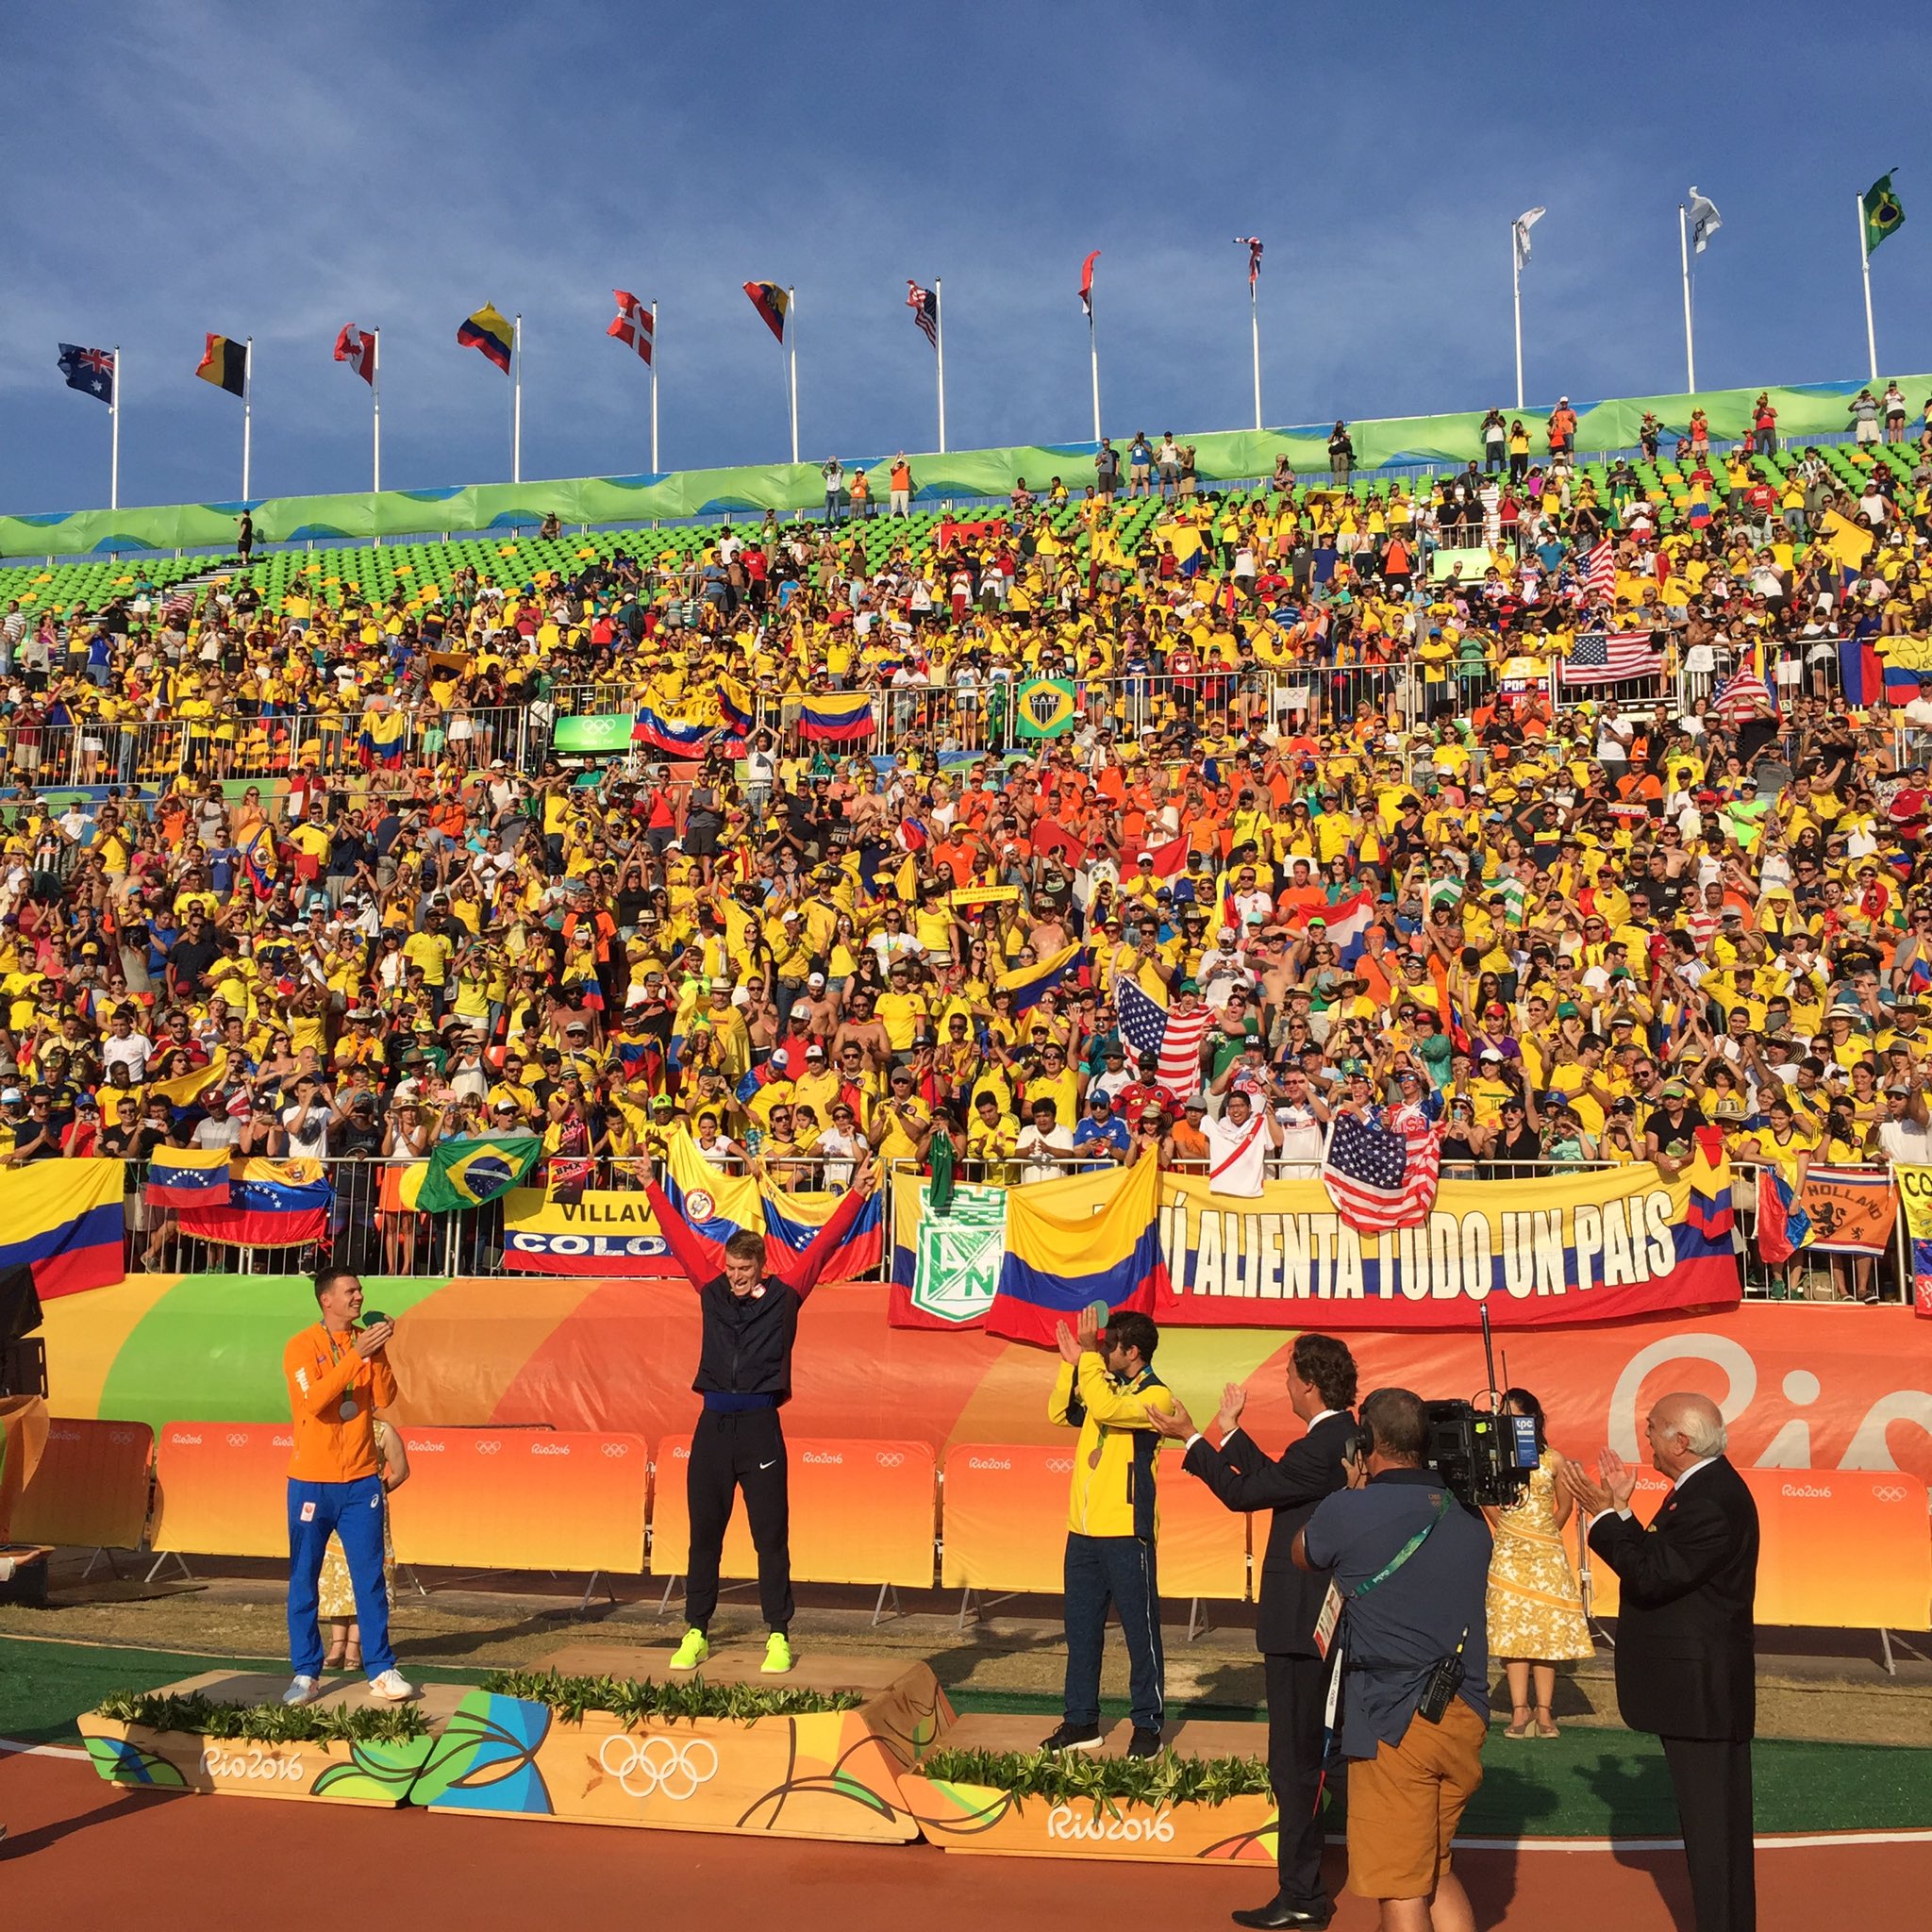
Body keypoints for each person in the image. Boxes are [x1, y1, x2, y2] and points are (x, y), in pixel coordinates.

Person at [1147, 1333, 1360, 1930]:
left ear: (1310, 1384)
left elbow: (1246, 1493)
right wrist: (1229, 1431)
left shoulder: (1321, 1446)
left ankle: (1303, 1893)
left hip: (1302, 1624)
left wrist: (1189, 1437)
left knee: (1297, 1761)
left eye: (1291, 1376)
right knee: (1327, 1751)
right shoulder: (1339, 1441)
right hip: (1324, 1622)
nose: (1285, 1384)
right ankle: (1339, 1869)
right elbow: (1279, 1480)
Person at [642, 1157, 878, 1676]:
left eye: (743, 1270)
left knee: (769, 1536)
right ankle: (696, 1631)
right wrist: (650, 1187)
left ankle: (777, 1634)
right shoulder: (711, 1289)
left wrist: (857, 1196)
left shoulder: (786, 1296)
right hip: (712, 1428)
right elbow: (681, 1240)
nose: (734, 1278)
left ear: (761, 1266)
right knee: (704, 1534)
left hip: (760, 1430)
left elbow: (821, 1248)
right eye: (729, 1269)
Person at [1295, 1388, 1491, 1932]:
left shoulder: (1349, 1508)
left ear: (1366, 1443)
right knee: (1435, 1869)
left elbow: (1303, 1552)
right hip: (1464, 1710)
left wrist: (1353, 1490)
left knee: (1401, 1890)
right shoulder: (1468, 1513)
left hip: (1392, 1721)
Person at [1564, 1394, 1759, 1932]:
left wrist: (1604, 1516)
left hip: (1702, 1692)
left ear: (1682, 1441)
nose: (1644, 1437)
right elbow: (1656, 1562)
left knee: (1714, 1835)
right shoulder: (1697, 1491)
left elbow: (1651, 1576)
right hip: (1695, 1689)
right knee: (1710, 1833)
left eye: (1652, 1429)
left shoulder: (1711, 1500)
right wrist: (1622, 1510)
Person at [1040, 1304, 1174, 1759]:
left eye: (1110, 1345)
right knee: (1081, 1631)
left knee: (1140, 1632)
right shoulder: (1103, 1383)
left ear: (1132, 1351)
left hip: (1126, 1533)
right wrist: (1068, 1365)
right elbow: (1061, 1413)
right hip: (1083, 1532)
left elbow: (1105, 1407)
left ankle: (1148, 1725)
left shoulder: (1158, 1397)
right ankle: (1080, 1722)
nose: (1103, 1350)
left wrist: (1087, 1359)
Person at [281, 1266, 417, 1706]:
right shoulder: (301, 1346)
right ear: (327, 1300)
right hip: (310, 1482)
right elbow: (315, 1400)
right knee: (304, 1579)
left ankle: (381, 1669)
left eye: (360, 1289)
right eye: (350, 1291)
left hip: (361, 1481)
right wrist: (356, 1354)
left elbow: (385, 1397)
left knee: (369, 1578)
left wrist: (375, 1352)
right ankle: (306, 1673)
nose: (359, 1297)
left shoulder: (364, 1343)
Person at [1483, 1386, 1591, 1739]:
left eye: (1514, 1417)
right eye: (1504, 1418)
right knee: (1513, 1629)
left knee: (1546, 1630)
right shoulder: (1494, 1459)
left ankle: (1545, 1711)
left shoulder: (1553, 1460)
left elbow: (1564, 1505)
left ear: (1531, 1420)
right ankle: (1519, 1709)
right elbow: (1486, 1500)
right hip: (1510, 1553)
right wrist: (1510, 1530)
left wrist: (1543, 1535)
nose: (1508, 1424)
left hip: (1545, 1555)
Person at [319, 1416, 410, 1671]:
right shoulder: (333, 1426)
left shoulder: (383, 1430)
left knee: (365, 1575)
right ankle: (337, 1644)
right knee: (337, 1576)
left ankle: (354, 1647)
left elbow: (401, 1471)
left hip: (368, 1511)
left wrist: (376, 1492)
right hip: (336, 1509)